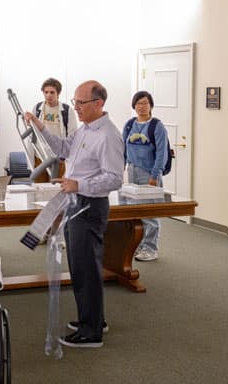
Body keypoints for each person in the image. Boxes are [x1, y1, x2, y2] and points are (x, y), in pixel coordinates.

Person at [24, 80, 124, 348]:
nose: (75, 107)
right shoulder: (85, 131)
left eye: (81, 103)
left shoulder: (108, 136)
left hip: (89, 205)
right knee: (81, 267)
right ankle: (93, 319)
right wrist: (39, 125)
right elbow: (62, 149)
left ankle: (91, 333)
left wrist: (79, 184)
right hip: (75, 203)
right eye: (75, 101)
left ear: (98, 104)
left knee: (86, 268)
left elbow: (114, 179)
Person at [123, 91, 169, 262]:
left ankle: (151, 248)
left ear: (151, 105)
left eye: (145, 103)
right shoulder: (129, 125)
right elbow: (123, 150)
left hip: (149, 173)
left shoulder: (157, 126)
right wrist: (121, 169)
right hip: (132, 171)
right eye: (138, 103)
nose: (141, 107)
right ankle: (139, 245)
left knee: (149, 213)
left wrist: (154, 176)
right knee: (134, 211)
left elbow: (161, 153)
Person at [33, 78, 77, 182]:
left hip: (58, 158)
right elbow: (32, 131)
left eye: (52, 92)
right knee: (39, 190)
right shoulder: (37, 108)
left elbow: (73, 134)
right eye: (46, 92)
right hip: (40, 156)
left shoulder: (67, 110)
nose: (48, 95)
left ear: (58, 93)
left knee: (56, 190)